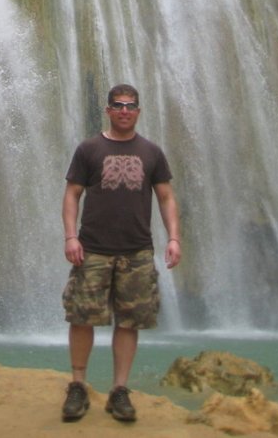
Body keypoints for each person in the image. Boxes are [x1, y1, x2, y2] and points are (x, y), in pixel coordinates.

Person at [61, 83, 181, 423]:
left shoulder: (152, 153)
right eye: (118, 105)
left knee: (129, 321)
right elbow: (72, 194)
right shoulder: (89, 149)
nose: (125, 110)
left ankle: (119, 390)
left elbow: (166, 197)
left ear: (138, 111)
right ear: (109, 110)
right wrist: (71, 237)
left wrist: (174, 238)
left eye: (130, 105)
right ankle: (78, 384)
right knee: (81, 316)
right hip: (93, 249)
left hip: (137, 251)